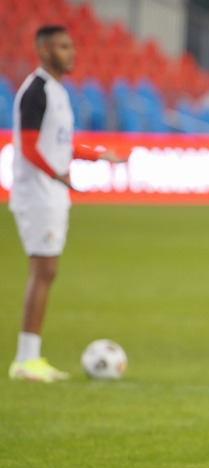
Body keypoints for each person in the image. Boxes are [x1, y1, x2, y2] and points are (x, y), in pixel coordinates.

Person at [8, 26, 125, 383]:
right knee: (43, 271)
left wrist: (96, 155)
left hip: (52, 193)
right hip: (38, 194)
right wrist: (58, 175)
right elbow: (28, 147)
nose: (71, 52)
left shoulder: (58, 91)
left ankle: (30, 357)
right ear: (43, 51)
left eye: (71, 46)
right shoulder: (37, 91)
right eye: (62, 46)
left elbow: (57, 145)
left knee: (47, 272)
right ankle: (27, 359)